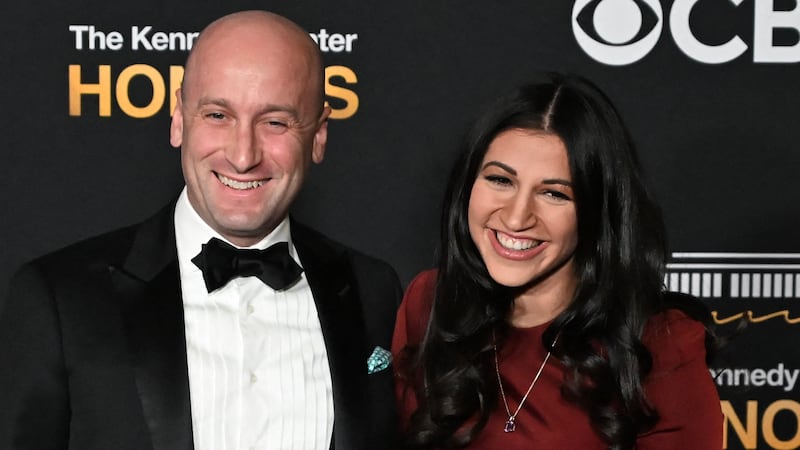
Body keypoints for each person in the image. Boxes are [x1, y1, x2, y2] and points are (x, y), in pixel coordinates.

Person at [0, 10, 401, 450]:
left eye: (275, 122)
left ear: (319, 135)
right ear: (178, 119)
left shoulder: (371, 290)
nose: (243, 155)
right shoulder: (61, 298)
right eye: (217, 115)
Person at [392, 73, 723, 449]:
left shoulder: (659, 344)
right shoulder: (431, 302)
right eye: (501, 180)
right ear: (468, 186)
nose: (517, 218)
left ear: (597, 212)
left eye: (553, 193)